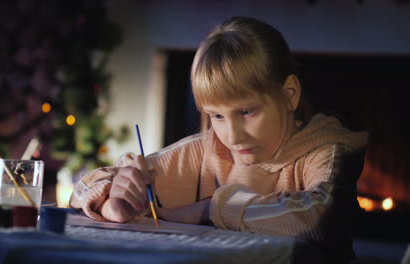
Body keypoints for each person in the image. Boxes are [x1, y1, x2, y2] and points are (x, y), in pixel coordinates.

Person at [69, 16, 367, 263]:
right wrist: (113, 203)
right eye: (217, 116)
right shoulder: (209, 150)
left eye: (247, 111)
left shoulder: (327, 149)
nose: (233, 137)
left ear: (289, 94)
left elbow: (320, 217)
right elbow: (84, 188)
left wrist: (213, 208)